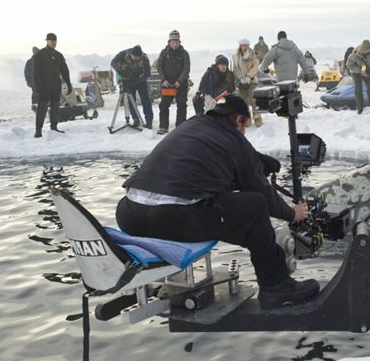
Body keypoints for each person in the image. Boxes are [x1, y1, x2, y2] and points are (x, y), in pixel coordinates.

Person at [115, 95, 319, 309]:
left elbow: (211, 158)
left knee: (217, 206)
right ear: (238, 120)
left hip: (130, 215)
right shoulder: (234, 139)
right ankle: (277, 287)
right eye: (245, 127)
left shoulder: (194, 125)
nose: (244, 134)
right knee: (255, 206)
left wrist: (257, 161)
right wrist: (292, 213)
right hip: (173, 218)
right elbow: (262, 192)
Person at [32, 33, 72, 138]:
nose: (54, 43)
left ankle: (54, 127)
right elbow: (35, 73)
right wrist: (36, 87)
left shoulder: (59, 55)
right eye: (51, 41)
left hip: (56, 85)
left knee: (55, 107)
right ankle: (38, 130)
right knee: (42, 108)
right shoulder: (40, 54)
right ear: (47, 41)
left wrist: (69, 83)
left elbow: (64, 71)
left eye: (55, 41)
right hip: (44, 86)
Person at [111, 45, 154, 128]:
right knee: (131, 100)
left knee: (145, 100)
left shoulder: (144, 58)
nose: (136, 59)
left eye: (138, 58)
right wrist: (120, 70)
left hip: (140, 80)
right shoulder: (123, 54)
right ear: (130, 54)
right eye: (134, 57)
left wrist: (137, 80)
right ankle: (135, 119)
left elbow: (147, 74)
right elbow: (113, 62)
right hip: (127, 79)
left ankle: (149, 120)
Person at [156, 30, 191, 135]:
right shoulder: (163, 53)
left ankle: (180, 127)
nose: (175, 44)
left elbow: (186, 68)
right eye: (173, 42)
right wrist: (163, 80)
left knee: (181, 105)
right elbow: (159, 67)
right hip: (167, 84)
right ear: (169, 42)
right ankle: (163, 126)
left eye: (177, 42)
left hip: (181, 84)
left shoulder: (184, 54)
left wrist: (179, 81)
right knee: (163, 105)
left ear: (179, 42)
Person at [232, 39, 262, 127]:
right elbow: (235, 69)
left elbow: (255, 67)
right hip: (241, 82)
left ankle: (257, 117)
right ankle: (246, 118)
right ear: (240, 46)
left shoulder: (253, 55)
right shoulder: (236, 56)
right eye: (242, 46)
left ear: (248, 46)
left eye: (246, 45)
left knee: (253, 100)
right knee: (243, 101)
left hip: (252, 80)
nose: (244, 47)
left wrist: (249, 76)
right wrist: (240, 78)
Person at [346, 39, 370, 115]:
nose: (365, 53)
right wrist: (360, 70)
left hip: (367, 70)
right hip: (356, 72)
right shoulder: (354, 54)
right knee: (358, 88)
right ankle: (360, 108)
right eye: (364, 52)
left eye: (367, 52)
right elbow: (349, 65)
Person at [24, 46, 40, 112]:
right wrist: (28, 82)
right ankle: (35, 107)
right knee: (36, 94)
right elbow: (27, 72)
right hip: (35, 82)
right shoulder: (30, 62)